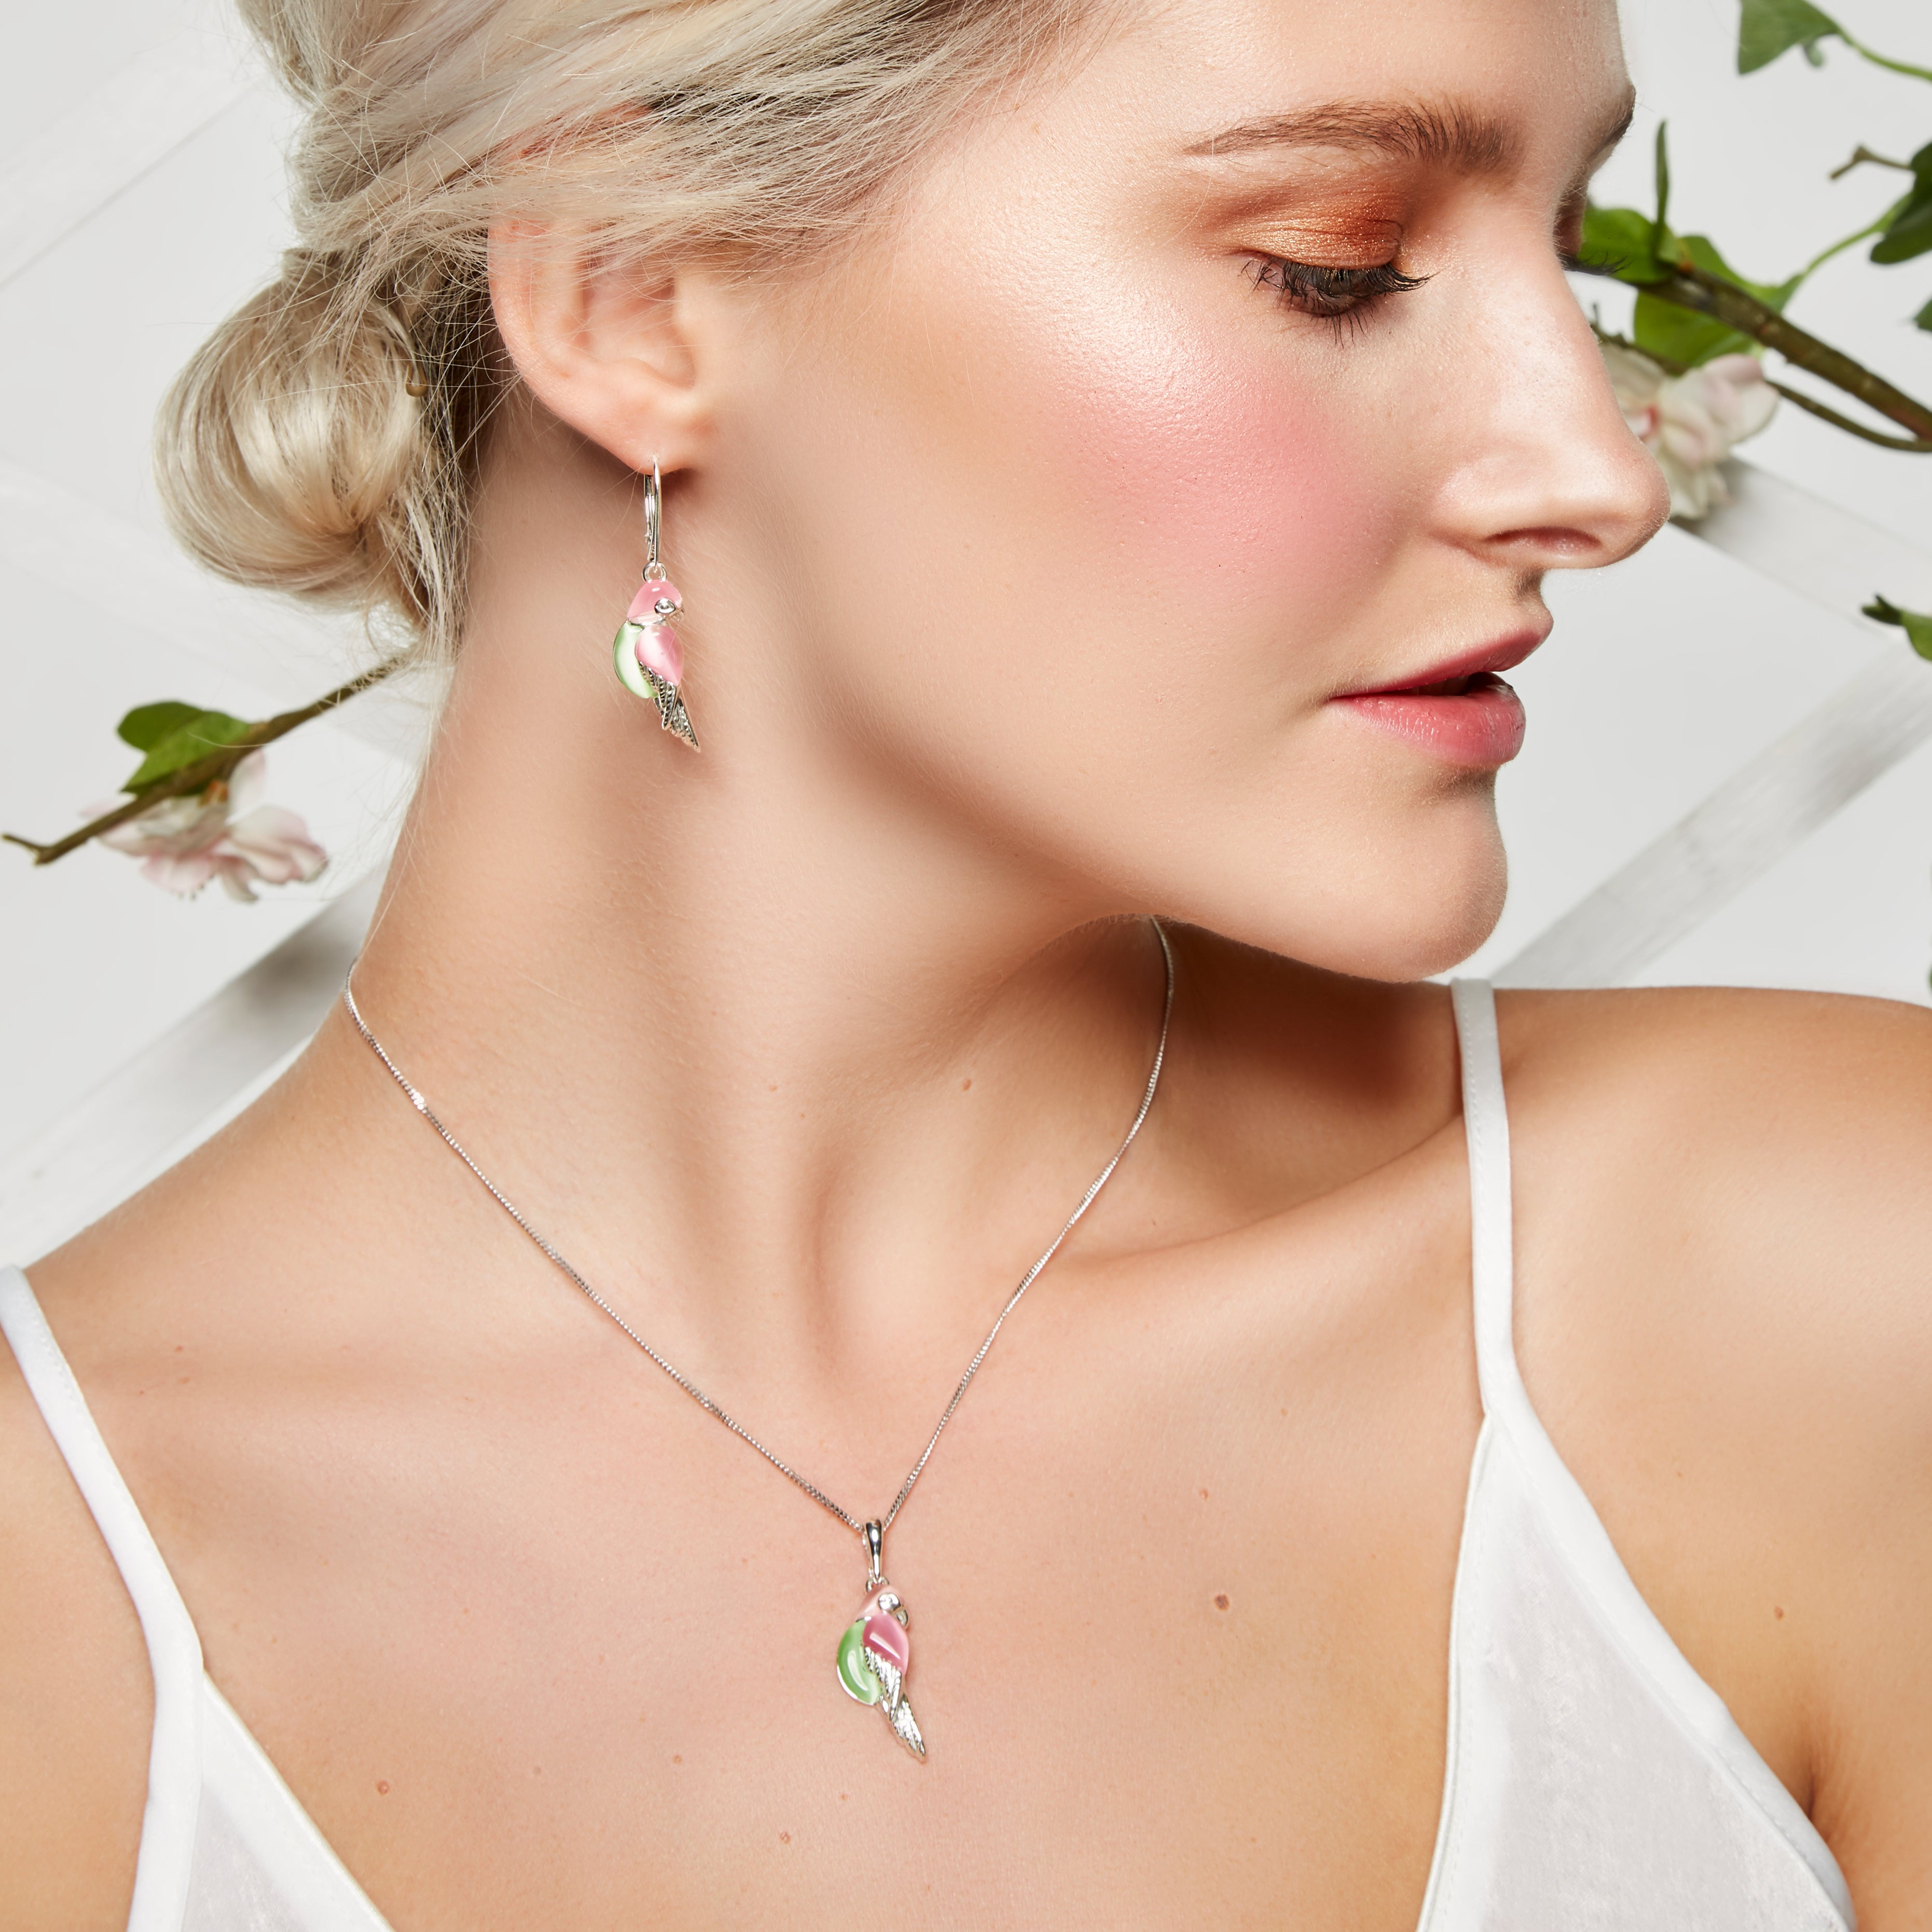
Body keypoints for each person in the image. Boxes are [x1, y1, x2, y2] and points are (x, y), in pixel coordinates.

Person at [3, 0, 1927, 1924]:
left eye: (1564, 249)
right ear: (632, 297)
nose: (1599, 475)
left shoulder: (1814, 1279)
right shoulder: (51, 1624)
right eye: (1336, 268)